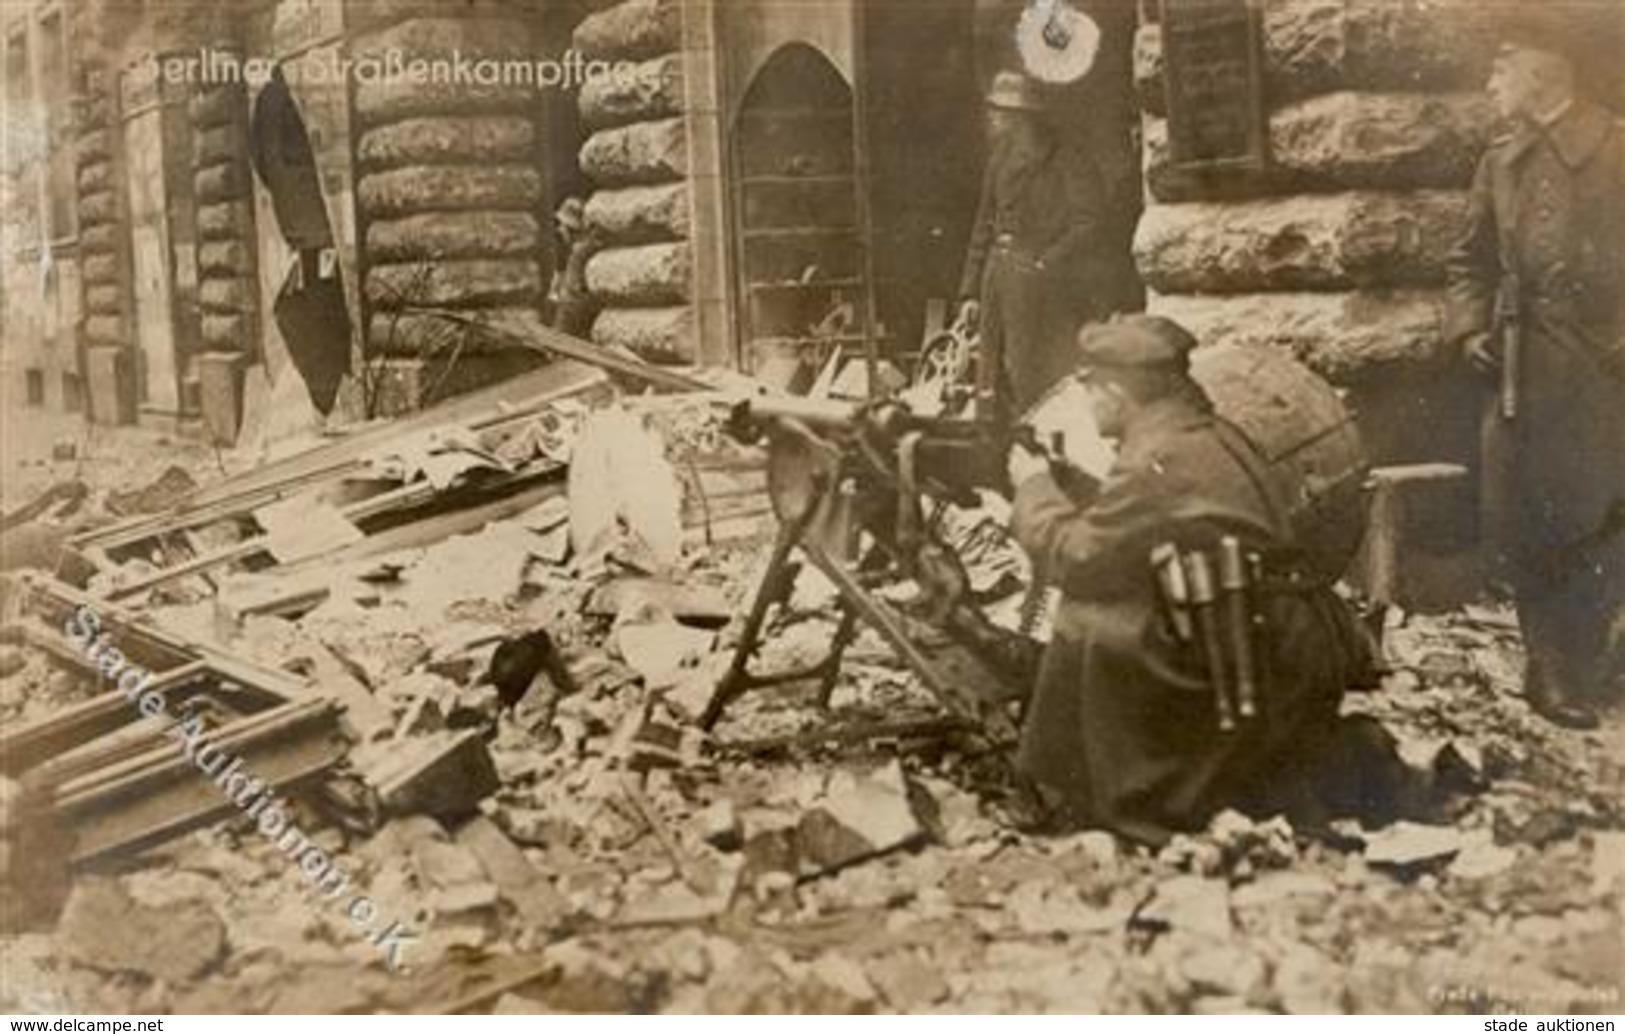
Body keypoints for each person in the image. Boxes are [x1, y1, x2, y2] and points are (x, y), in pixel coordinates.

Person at [1005, 315, 1374, 846]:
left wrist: (1035, 489)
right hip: (1296, 638)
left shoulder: (1158, 456)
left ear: (1115, 392)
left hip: (1252, 651)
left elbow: (1081, 559)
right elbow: (1152, 525)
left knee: (1090, 619)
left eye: (1091, 389)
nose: (1088, 405)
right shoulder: (1206, 431)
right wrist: (1076, 488)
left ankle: (1134, 797)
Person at [1443, 8, 1625, 730]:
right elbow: (1467, 260)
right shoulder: (1500, 161)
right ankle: (1548, 666)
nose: (1490, 79)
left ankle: (1580, 660)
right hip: (1518, 369)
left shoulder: (1617, 150)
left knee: (1600, 513)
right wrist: (1466, 331)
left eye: (1501, 64)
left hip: (1605, 369)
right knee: (1524, 515)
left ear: (1543, 69)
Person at [958, 70, 1140, 424]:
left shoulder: (1065, 158)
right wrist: (969, 292)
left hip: (1041, 286)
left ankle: (1036, 449)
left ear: (1022, 117)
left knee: (1031, 376)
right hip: (998, 276)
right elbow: (983, 224)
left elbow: (1088, 222)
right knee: (989, 374)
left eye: (1000, 111)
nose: (992, 117)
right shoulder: (1000, 156)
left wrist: (1044, 262)